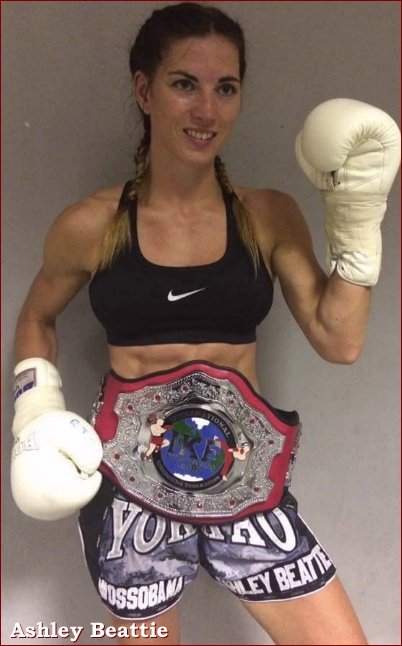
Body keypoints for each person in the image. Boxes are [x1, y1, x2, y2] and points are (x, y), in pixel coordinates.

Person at [10, 2, 400, 645]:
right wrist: (36, 415)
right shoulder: (92, 224)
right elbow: (36, 316)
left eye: (226, 88)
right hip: (133, 487)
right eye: (185, 84)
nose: (207, 110)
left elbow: (341, 340)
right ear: (145, 91)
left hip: (244, 481)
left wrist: (358, 216)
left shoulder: (268, 215)